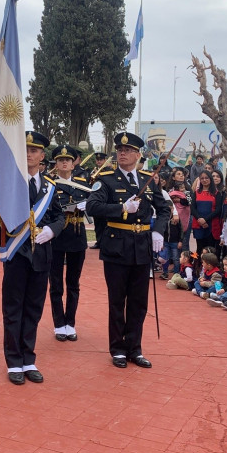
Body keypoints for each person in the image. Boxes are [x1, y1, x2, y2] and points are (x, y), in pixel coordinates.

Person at [86, 132, 170, 369]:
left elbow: (164, 209)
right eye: (119, 150)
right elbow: (93, 206)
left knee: (138, 302)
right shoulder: (107, 179)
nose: (122, 154)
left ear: (137, 154)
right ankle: (118, 349)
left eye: (127, 150)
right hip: (116, 247)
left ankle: (135, 348)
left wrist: (158, 231)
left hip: (142, 247)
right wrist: (121, 207)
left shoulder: (148, 179)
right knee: (117, 301)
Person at [1, 131, 64, 384]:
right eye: (25, 149)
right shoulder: (9, 181)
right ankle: (14, 362)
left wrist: (52, 230)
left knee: (34, 310)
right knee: (13, 308)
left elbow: (59, 216)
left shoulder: (50, 186)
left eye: (34, 150)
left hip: (41, 255)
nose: (29, 154)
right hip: (17, 254)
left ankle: (29, 359)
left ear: (42, 156)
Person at [49, 144, 89, 342]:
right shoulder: (49, 184)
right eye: (60, 160)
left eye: (68, 160)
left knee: (73, 283)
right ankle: (58, 323)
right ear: (55, 164)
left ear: (74, 164)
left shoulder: (83, 184)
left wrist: (87, 205)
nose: (64, 162)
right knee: (56, 284)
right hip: (56, 237)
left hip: (77, 235)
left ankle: (70, 323)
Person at [191, 170, 223, 257]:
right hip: (198, 224)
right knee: (199, 248)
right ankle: (197, 268)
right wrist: (200, 219)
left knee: (210, 249)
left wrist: (205, 220)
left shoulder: (217, 193)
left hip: (211, 225)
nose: (204, 180)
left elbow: (218, 209)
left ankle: (210, 268)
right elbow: (192, 208)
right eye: (202, 178)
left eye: (206, 178)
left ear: (210, 179)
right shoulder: (196, 193)